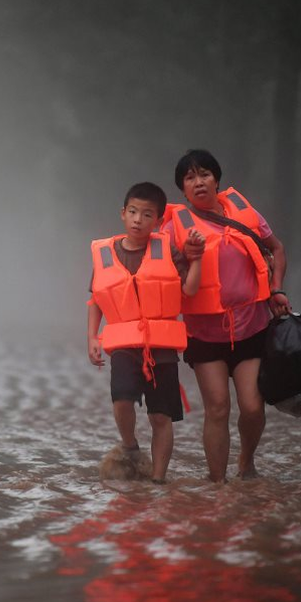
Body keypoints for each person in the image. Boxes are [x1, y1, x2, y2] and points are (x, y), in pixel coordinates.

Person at [161, 149, 291, 483]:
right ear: (183, 190)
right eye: (189, 178)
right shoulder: (174, 229)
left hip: (251, 327)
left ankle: (246, 464)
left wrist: (277, 289)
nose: (198, 182)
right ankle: (217, 484)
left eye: (204, 174)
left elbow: (276, 248)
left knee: (251, 407)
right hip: (205, 334)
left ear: (217, 180)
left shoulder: (244, 214)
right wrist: (185, 259)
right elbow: (163, 275)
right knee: (217, 408)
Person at [88, 182, 202, 484]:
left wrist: (197, 260)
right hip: (124, 344)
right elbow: (96, 300)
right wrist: (92, 338)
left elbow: (189, 290)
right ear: (123, 214)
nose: (139, 219)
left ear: (158, 220)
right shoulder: (105, 254)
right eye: (134, 212)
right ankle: (130, 445)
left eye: (147, 214)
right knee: (121, 399)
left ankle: (158, 482)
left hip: (161, 347)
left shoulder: (169, 252)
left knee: (160, 417)